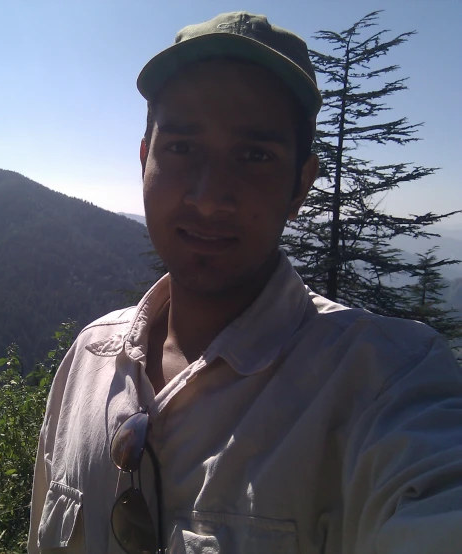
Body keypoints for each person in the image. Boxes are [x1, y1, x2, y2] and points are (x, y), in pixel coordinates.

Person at [28, 11, 462, 554]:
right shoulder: (87, 363)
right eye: (182, 148)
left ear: (301, 184)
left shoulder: (386, 382)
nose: (209, 197)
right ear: (145, 160)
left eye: (255, 156)